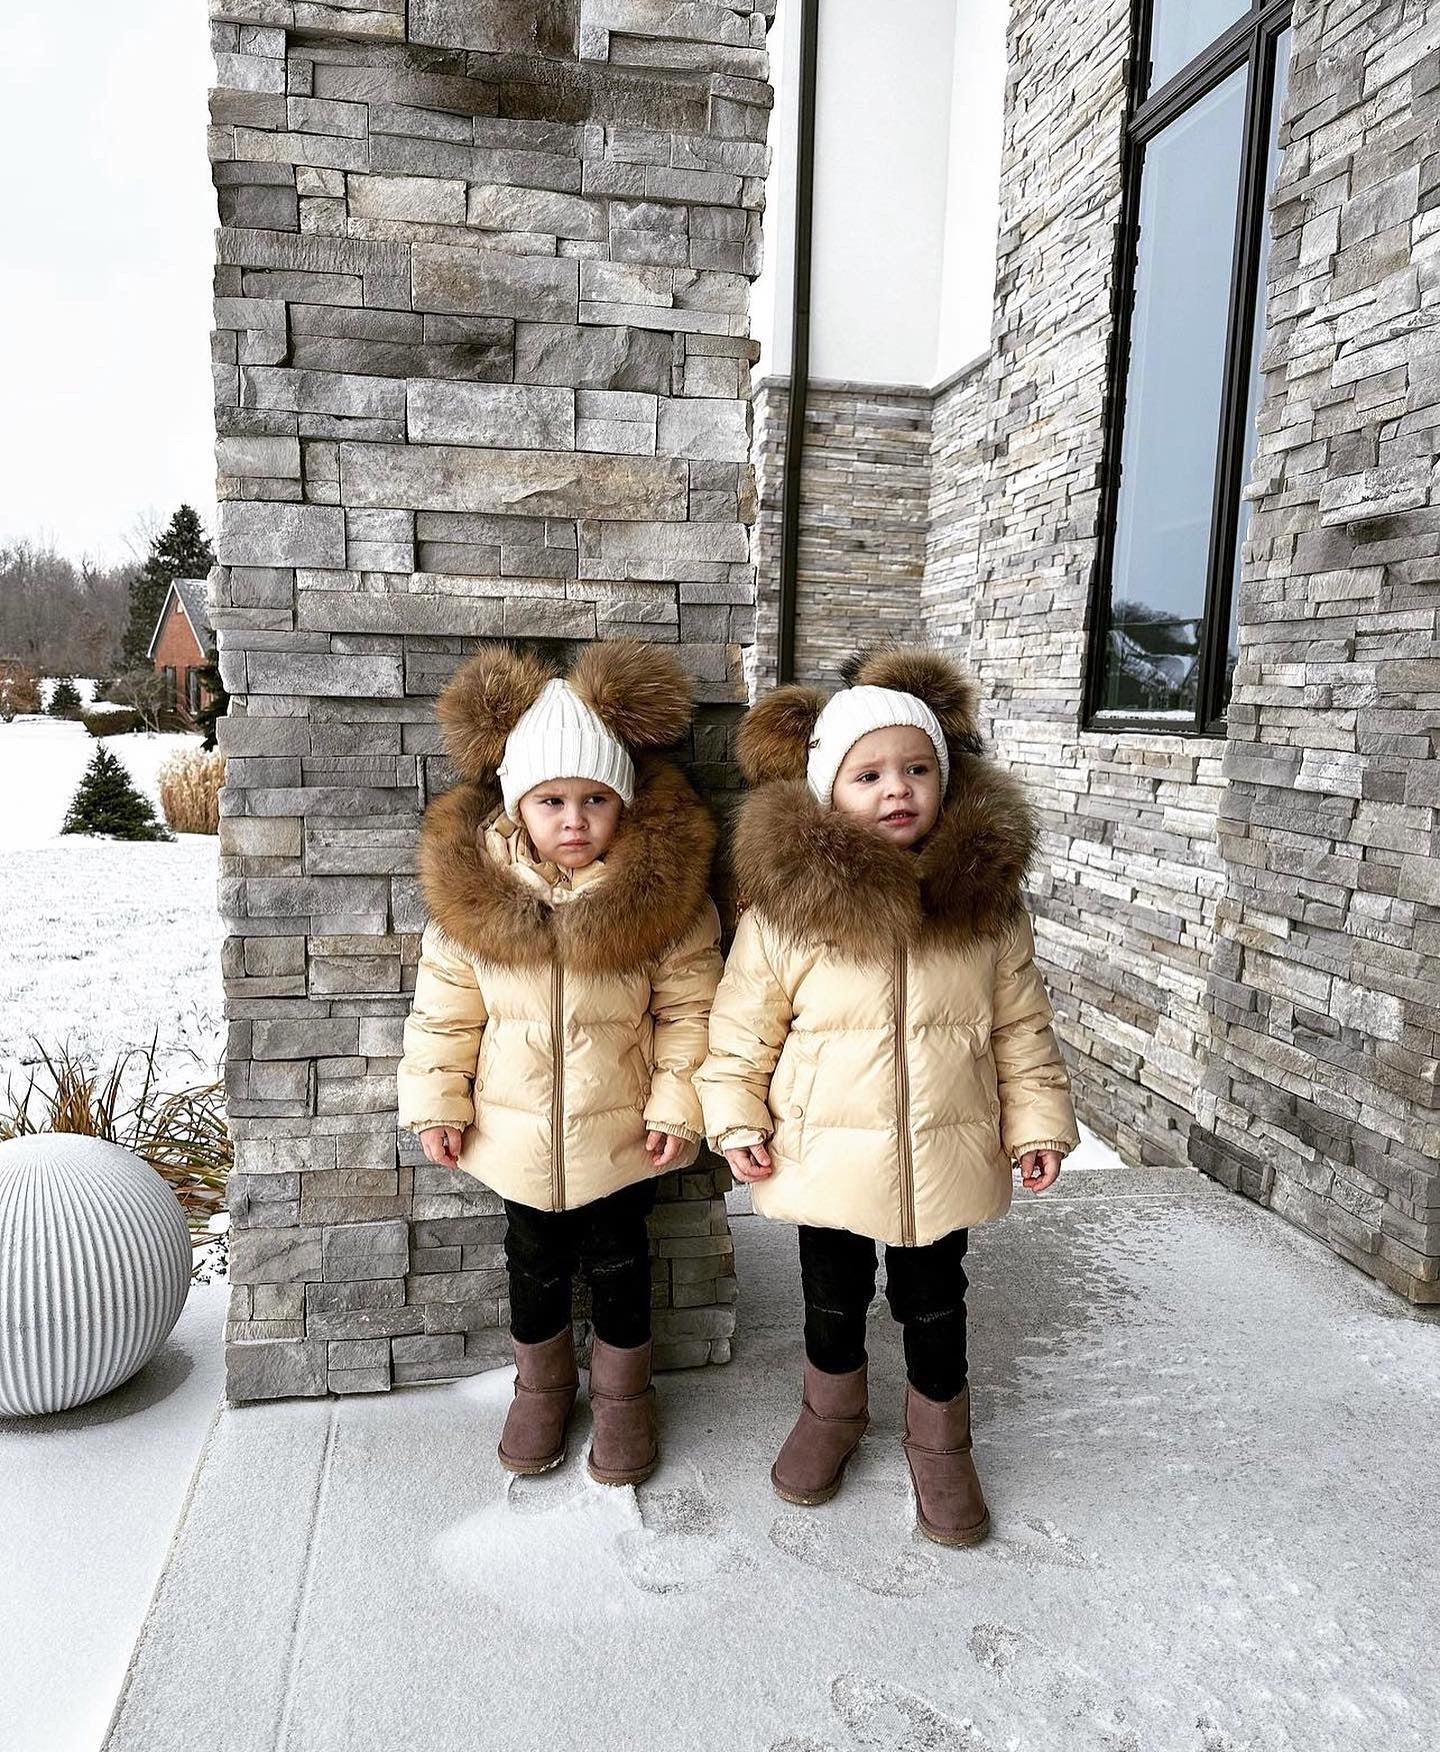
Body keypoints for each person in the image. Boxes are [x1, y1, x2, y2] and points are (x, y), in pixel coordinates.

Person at [696, 645, 1079, 1545]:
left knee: (934, 1299)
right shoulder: (787, 912)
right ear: (829, 792)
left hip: (944, 1148)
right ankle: (830, 1412)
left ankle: (941, 1440)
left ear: (945, 779)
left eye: (916, 770)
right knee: (832, 1294)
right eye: (868, 775)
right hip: (824, 1149)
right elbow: (741, 1029)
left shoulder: (984, 909)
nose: (896, 789)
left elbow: (1020, 1028)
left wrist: (1037, 1123)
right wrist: (736, 1116)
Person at [398, 639, 722, 1486]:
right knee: (532, 1263)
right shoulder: (475, 904)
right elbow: (444, 1014)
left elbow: (690, 1015)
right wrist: (439, 1103)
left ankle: (624, 1398)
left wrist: (677, 1106)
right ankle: (541, 1387)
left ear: (623, 804)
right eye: (551, 801)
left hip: (622, 1138)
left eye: (594, 800)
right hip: (513, 1139)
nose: (574, 821)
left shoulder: (661, 906)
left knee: (621, 1264)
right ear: (517, 806)